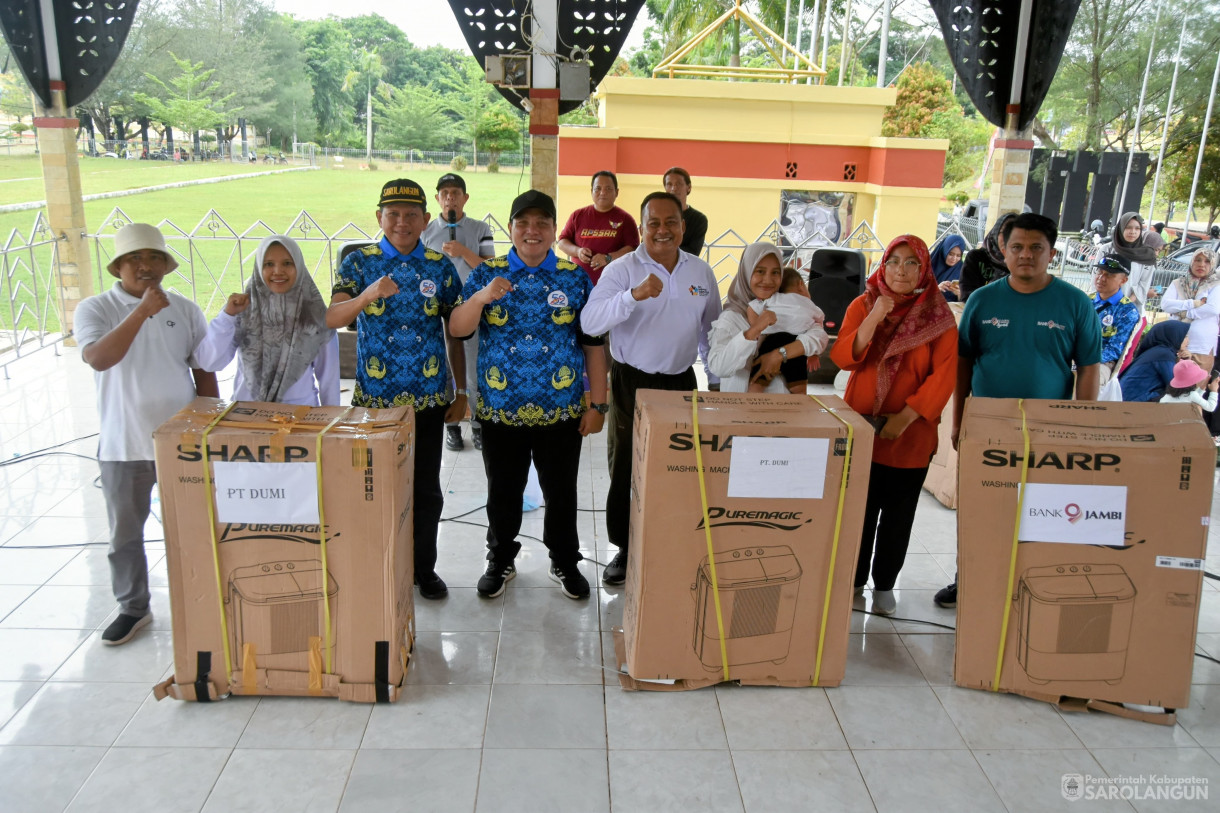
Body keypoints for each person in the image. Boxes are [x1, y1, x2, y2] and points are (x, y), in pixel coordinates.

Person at [937, 212, 1102, 609]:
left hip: (1049, 428)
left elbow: (1090, 368)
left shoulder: (1075, 303)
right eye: (1017, 247)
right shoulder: (982, 300)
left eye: (1035, 248)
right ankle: (970, 577)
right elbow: (962, 364)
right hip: (989, 425)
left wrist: (1083, 428)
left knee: (1041, 509)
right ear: (1003, 252)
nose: (1025, 255)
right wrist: (959, 421)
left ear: (1052, 253)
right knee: (980, 506)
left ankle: (1030, 582)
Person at [448, 190, 607, 600]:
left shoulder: (573, 278)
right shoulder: (488, 273)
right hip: (502, 410)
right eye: (523, 223)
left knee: (562, 490)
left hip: (561, 409)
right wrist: (482, 297)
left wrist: (599, 403)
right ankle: (500, 559)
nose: (531, 231)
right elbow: (459, 328)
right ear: (511, 228)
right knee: (503, 488)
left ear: (554, 231)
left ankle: (565, 559)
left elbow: (592, 345)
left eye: (541, 223)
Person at [75, 223, 219, 645]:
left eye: (155, 258)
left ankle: (201, 598)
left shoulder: (186, 309)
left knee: (195, 526)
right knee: (125, 533)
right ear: (119, 266)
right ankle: (133, 607)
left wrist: (209, 424)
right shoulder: (95, 308)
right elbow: (99, 358)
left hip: (182, 443)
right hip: (125, 443)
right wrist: (141, 311)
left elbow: (202, 368)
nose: (146, 266)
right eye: (135, 259)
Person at [325, 178, 467, 601]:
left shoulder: (439, 267)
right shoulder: (358, 263)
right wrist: (368, 293)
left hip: (427, 398)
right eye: (393, 214)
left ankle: (424, 568)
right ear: (379, 218)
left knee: (425, 489)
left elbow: (455, 332)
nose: (401, 222)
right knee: (374, 488)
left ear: (426, 219)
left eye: (411, 215)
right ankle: (379, 567)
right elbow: (333, 317)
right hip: (375, 401)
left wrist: (460, 392)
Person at [581, 191, 722, 585]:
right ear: (641, 227)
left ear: (683, 226)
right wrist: (633, 296)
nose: (663, 230)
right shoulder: (623, 270)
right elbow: (591, 321)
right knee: (626, 467)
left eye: (671, 222)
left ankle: (667, 542)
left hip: (681, 381)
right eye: (653, 223)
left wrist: (715, 381)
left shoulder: (700, 272)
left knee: (678, 468)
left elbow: (711, 331)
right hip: (632, 381)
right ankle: (624, 550)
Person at [829, 234, 957, 615]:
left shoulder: (939, 316)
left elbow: (944, 375)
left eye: (910, 262)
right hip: (862, 426)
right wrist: (874, 317)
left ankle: (885, 584)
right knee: (859, 511)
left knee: (898, 516)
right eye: (893, 262)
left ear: (924, 267)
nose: (901, 270)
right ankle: (852, 580)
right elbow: (843, 358)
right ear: (882, 266)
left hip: (911, 434)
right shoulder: (863, 303)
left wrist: (904, 418)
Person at [195, 235, 339, 406]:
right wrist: (227, 317)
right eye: (268, 264)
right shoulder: (242, 311)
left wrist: (330, 422)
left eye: (287, 263)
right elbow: (209, 362)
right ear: (258, 268)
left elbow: (329, 379)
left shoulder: (315, 316)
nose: (278, 271)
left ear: (299, 267)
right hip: (247, 416)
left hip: (299, 417)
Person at [421, 173, 496, 452]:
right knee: (441, 367)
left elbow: (489, 270)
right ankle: (450, 426)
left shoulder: (479, 228)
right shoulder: (425, 230)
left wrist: (463, 251)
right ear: (438, 198)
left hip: (470, 307)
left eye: (455, 192)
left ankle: (477, 423)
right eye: (445, 193)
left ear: (465, 198)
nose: (450, 197)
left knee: (474, 367)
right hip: (434, 308)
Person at [706, 242, 828, 394]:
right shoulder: (731, 318)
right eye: (760, 271)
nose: (768, 280)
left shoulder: (787, 309)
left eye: (775, 272)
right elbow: (719, 367)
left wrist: (778, 355)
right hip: (740, 410)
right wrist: (754, 330)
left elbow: (819, 337)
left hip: (784, 410)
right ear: (747, 272)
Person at [557, 170, 640, 283]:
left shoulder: (626, 219)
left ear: (616, 192)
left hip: (613, 284)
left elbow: (633, 249)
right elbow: (562, 242)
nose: (602, 193)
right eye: (598, 188)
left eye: (608, 189)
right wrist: (578, 251)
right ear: (591, 191)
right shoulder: (577, 215)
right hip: (579, 283)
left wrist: (608, 258)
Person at [1160, 247, 1220, 374]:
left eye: (1207, 261)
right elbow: (1166, 304)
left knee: (1197, 387)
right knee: (1173, 384)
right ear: (1192, 262)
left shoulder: (1215, 285)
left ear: (1213, 264)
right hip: (1177, 343)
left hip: (1202, 346)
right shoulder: (1178, 283)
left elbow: (1213, 309)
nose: (1201, 264)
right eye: (1197, 260)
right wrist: (1192, 303)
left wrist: (1184, 312)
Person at [1090, 254, 1141, 385]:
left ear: (1123, 280)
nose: (1101, 278)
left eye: (1109, 275)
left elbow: (1114, 349)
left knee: (1090, 381)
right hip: (1073, 355)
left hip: (1101, 362)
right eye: (1100, 272)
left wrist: (1083, 359)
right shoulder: (1084, 300)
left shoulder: (1128, 311)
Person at [1099, 212, 1157, 314]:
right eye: (1128, 227)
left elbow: (1144, 284)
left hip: (1130, 309)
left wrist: (1125, 304)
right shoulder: (1107, 249)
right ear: (1121, 228)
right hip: (1103, 303)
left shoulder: (1147, 254)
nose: (1132, 232)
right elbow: (1097, 275)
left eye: (1137, 228)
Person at [1119, 321, 1190, 403]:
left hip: (1128, 398)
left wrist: (1186, 361)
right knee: (1180, 397)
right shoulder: (1164, 354)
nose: (1188, 340)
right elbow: (1176, 385)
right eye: (1185, 336)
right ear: (1173, 336)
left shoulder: (1159, 351)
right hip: (1132, 402)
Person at [958, 212, 1015, 301]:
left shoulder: (1020, 263)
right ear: (995, 233)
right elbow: (967, 295)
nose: (1007, 238)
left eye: (1013, 233)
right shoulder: (976, 257)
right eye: (1004, 232)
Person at [663, 166, 709, 256]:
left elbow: (693, 252)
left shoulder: (699, 219)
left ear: (688, 187)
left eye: (678, 184)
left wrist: (661, 248)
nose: (673, 188)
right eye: (669, 184)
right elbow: (646, 245)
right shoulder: (656, 214)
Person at [930, 234, 968, 302]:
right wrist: (936, 290)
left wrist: (960, 295)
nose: (954, 259)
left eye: (958, 255)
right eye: (951, 254)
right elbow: (916, 294)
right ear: (944, 250)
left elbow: (966, 303)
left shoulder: (963, 271)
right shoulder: (928, 267)